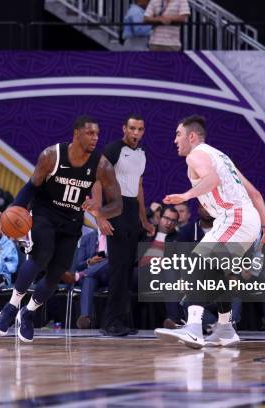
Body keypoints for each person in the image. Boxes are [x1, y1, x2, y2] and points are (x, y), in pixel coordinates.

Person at [154, 115, 265, 348]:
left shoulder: (196, 154)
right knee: (217, 273)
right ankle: (225, 328)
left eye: (178, 134)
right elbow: (256, 194)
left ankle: (193, 328)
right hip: (242, 220)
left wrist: (185, 196)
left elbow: (212, 180)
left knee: (197, 262)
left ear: (191, 136)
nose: (175, 140)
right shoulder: (222, 157)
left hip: (236, 218)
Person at [0, 115, 123, 342]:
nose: (95, 138)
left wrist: (100, 212)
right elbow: (31, 187)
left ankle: (28, 313)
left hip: (72, 222)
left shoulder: (101, 166)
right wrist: (13, 210)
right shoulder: (51, 156)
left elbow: (118, 205)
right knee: (42, 255)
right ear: (76, 134)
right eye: (90, 133)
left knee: (57, 273)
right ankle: (11, 307)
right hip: (44, 214)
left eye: (97, 134)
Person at [100, 114, 155, 336]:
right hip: (115, 208)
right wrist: (100, 217)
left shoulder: (142, 154)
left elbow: (139, 186)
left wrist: (144, 219)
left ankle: (122, 320)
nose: (136, 133)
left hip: (132, 212)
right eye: (132, 128)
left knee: (127, 270)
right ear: (124, 128)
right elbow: (96, 179)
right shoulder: (113, 149)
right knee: (117, 269)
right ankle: (110, 323)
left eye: (140, 129)